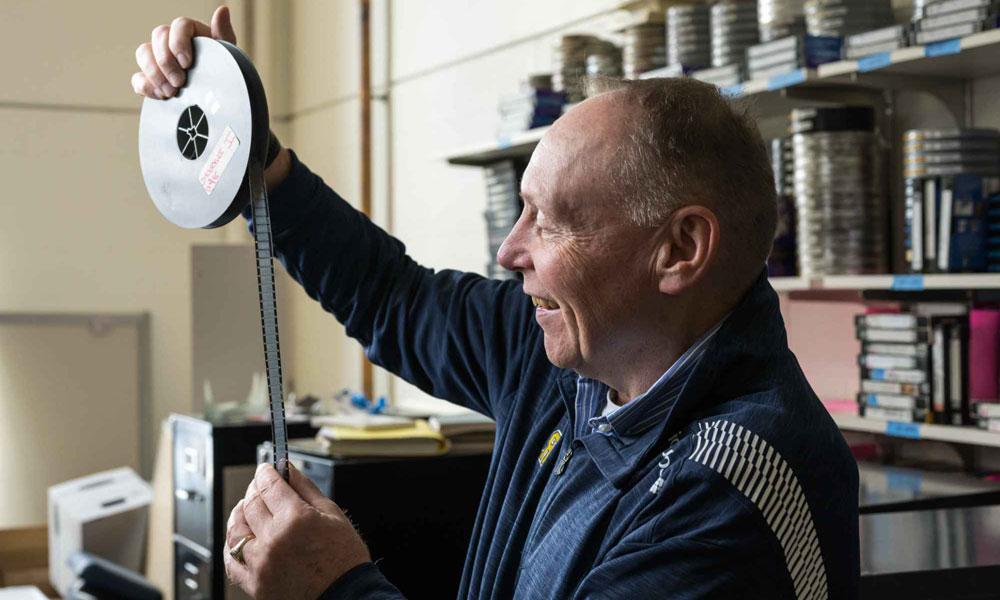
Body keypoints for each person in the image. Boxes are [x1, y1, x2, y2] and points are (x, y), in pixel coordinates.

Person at [132, 7, 859, 599]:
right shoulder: (572, 360)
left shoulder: (727, 492)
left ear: (679, 250)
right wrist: (246, 146)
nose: (510, 253)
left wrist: (336, 588)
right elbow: (393, 296)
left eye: (548, 220)